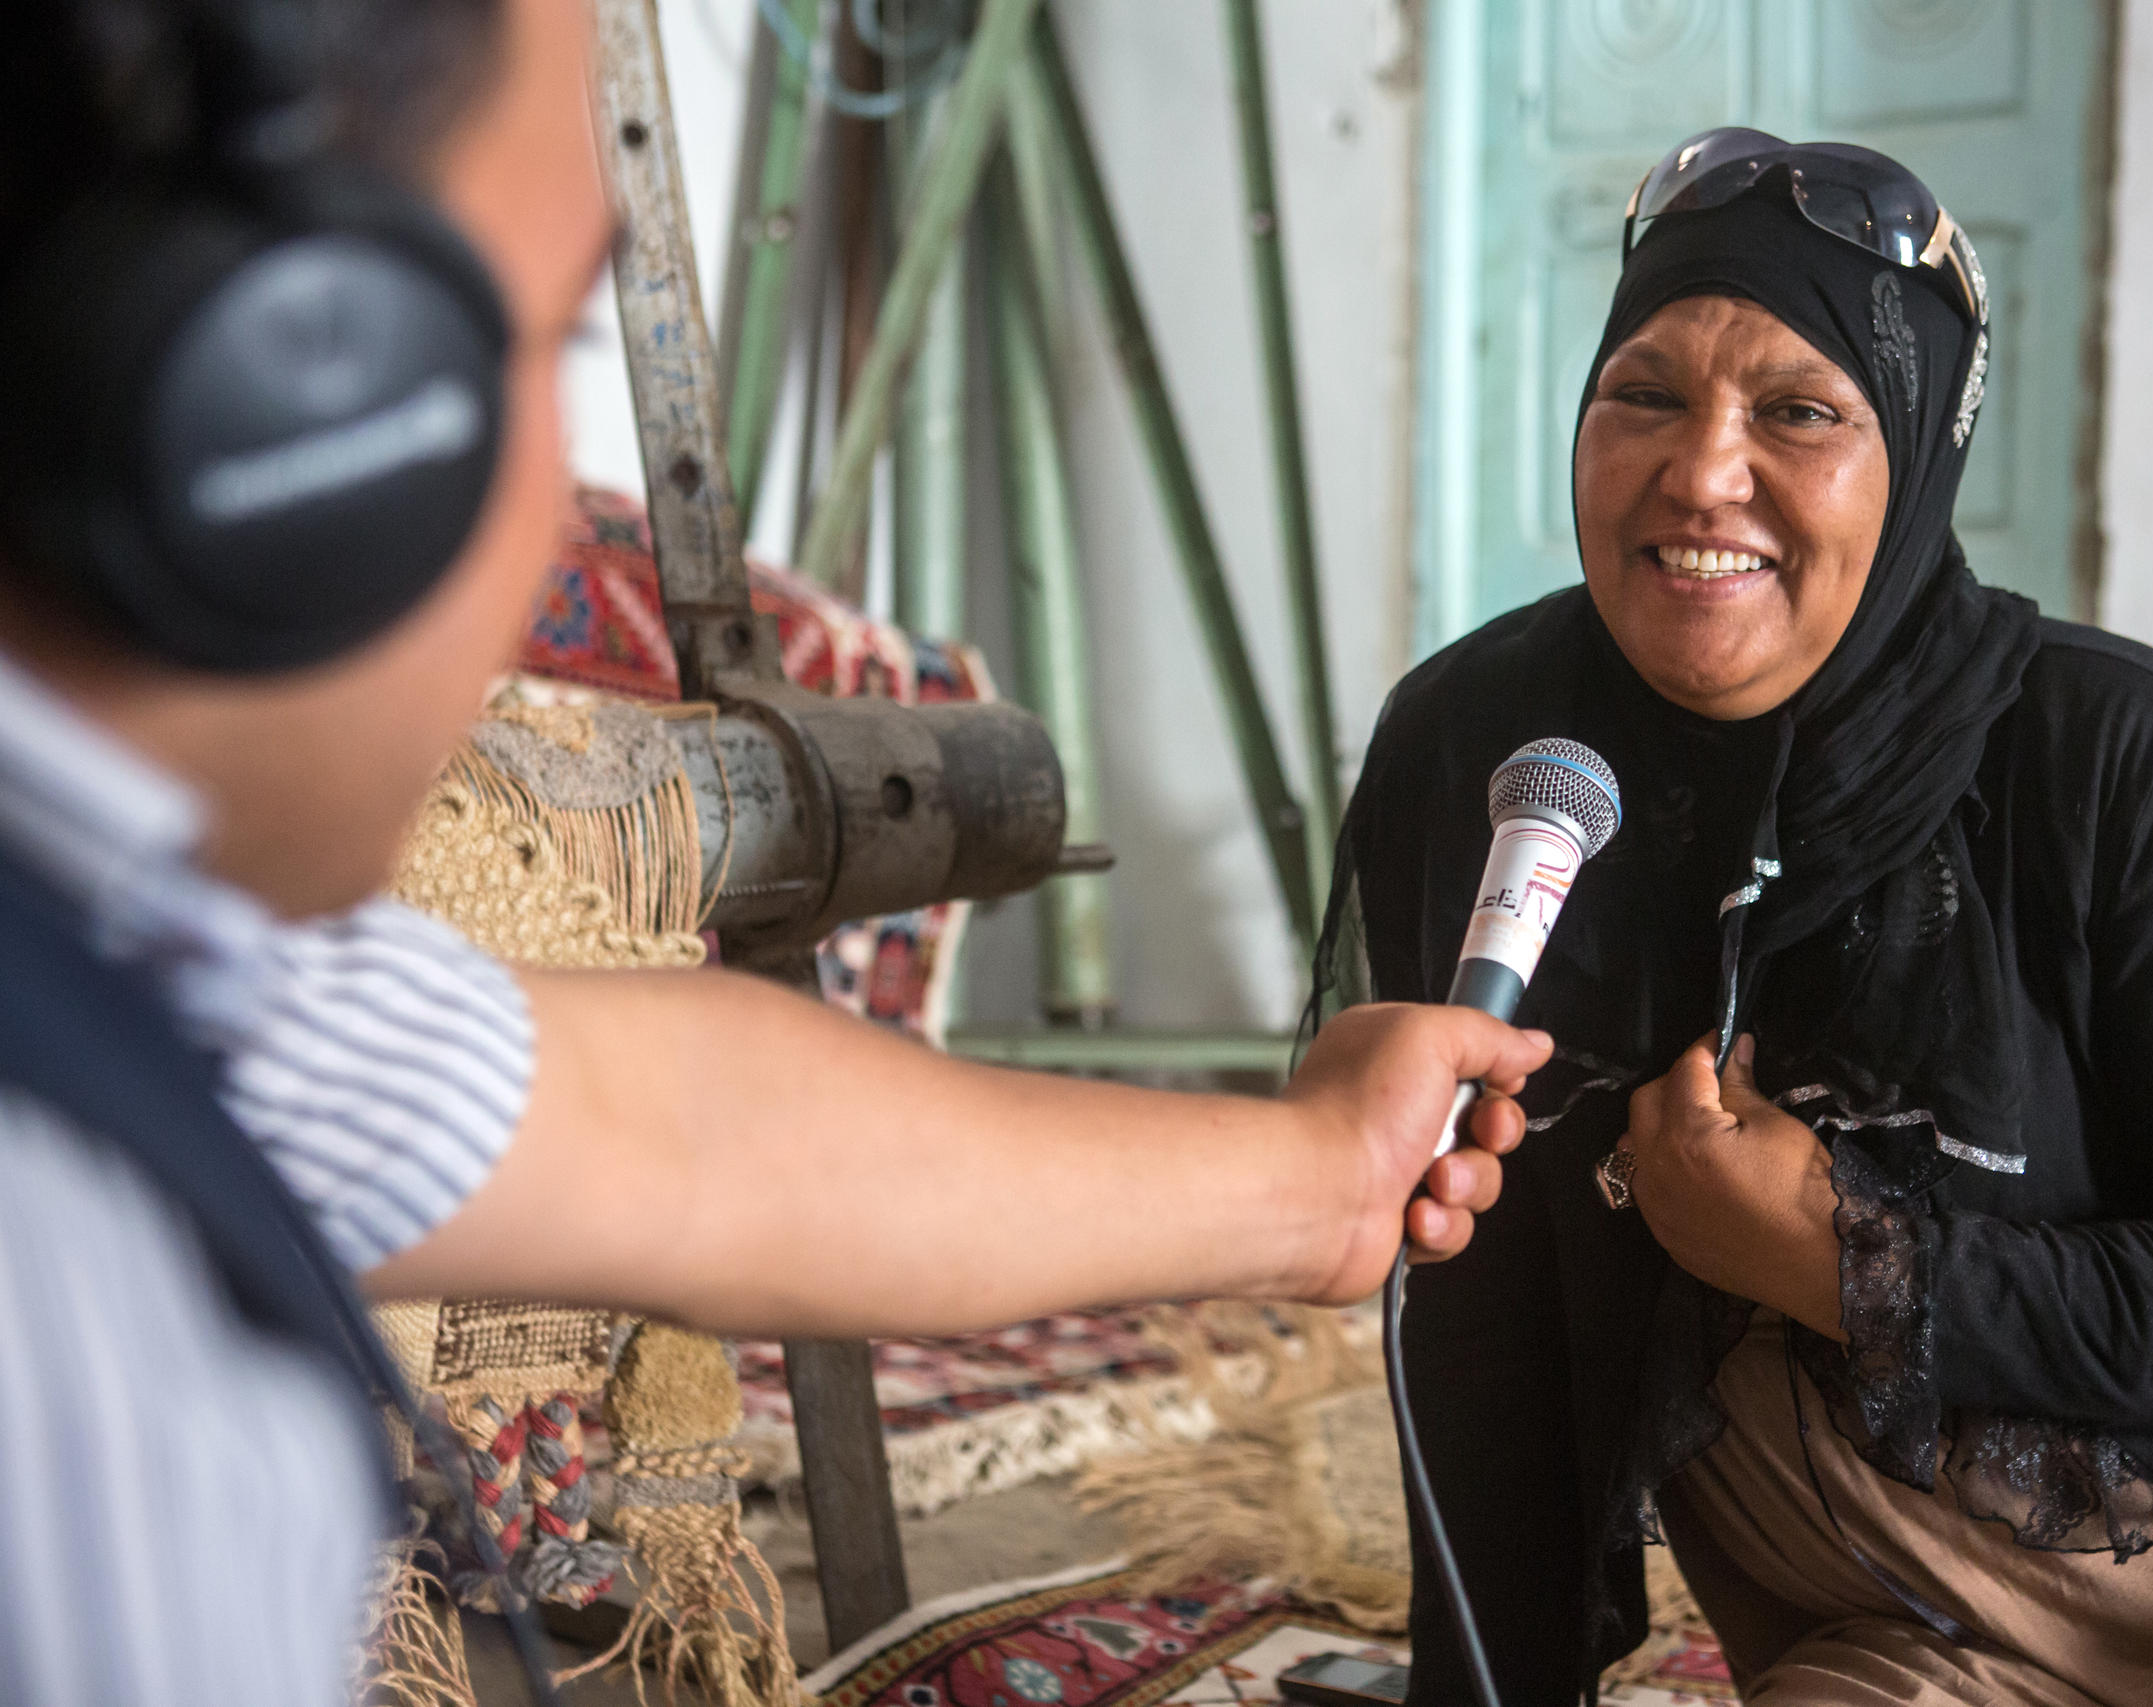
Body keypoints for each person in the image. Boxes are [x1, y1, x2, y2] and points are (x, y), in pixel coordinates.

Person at [0, 0, 1548, 1699]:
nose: (546, 518)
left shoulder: (136, 969)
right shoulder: (65, 1308)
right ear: (263, 417)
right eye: (544, 343)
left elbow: (683, 1133)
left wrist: (1318, 1180)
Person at [1320, 128, 2153, 1705]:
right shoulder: (1493, 755)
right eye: (1643, 395)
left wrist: (1850, 1261)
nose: (1700, 472)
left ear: (1917, 454)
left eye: (1799, 412)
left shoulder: (2118, 755)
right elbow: (1479, 1313)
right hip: (1939, 1638)